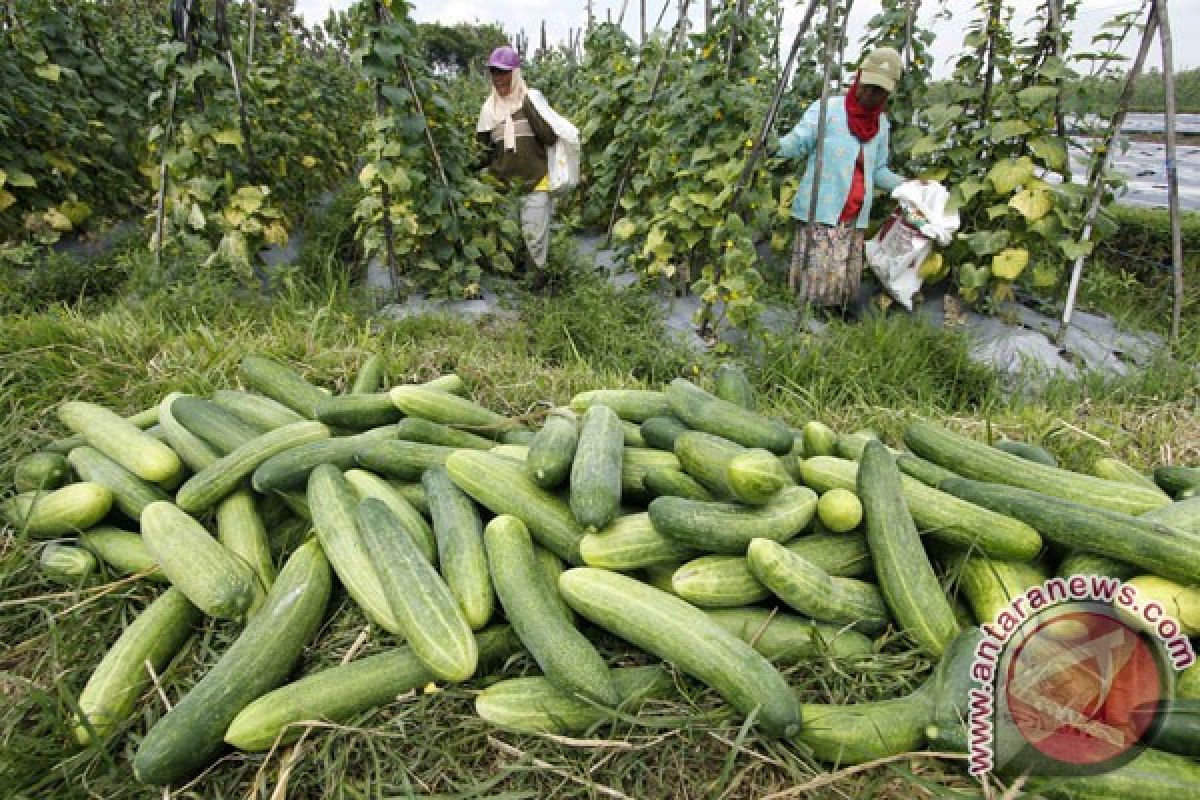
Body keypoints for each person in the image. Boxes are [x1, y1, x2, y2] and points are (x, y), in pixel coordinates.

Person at [777, 47, 908, 311]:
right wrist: (774, 146)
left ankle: (833, 323)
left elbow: (878, 171)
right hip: (821, 212)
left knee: (841, 282)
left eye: (879, 91)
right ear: (858, 78)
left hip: (854, 216)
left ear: (887, 94)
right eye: (868, 86)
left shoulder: (880, 125)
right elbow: (800, 140)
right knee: (817, 278)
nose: (870, 94)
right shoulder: (829, 109)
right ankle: (807, 322)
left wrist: (909, 185)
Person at [476, 46, 558, 290]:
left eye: (503, 73)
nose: (499, 78)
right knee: (509, 238)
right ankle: (513, 290)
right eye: (494, 73)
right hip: (504, 187)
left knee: (535, 239)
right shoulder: (489, 110)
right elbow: (482, 153)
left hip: (536, 182)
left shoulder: (531, 101)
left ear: (515, 74)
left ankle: (537, 287)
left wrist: (528, 108)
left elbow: (550, 138)